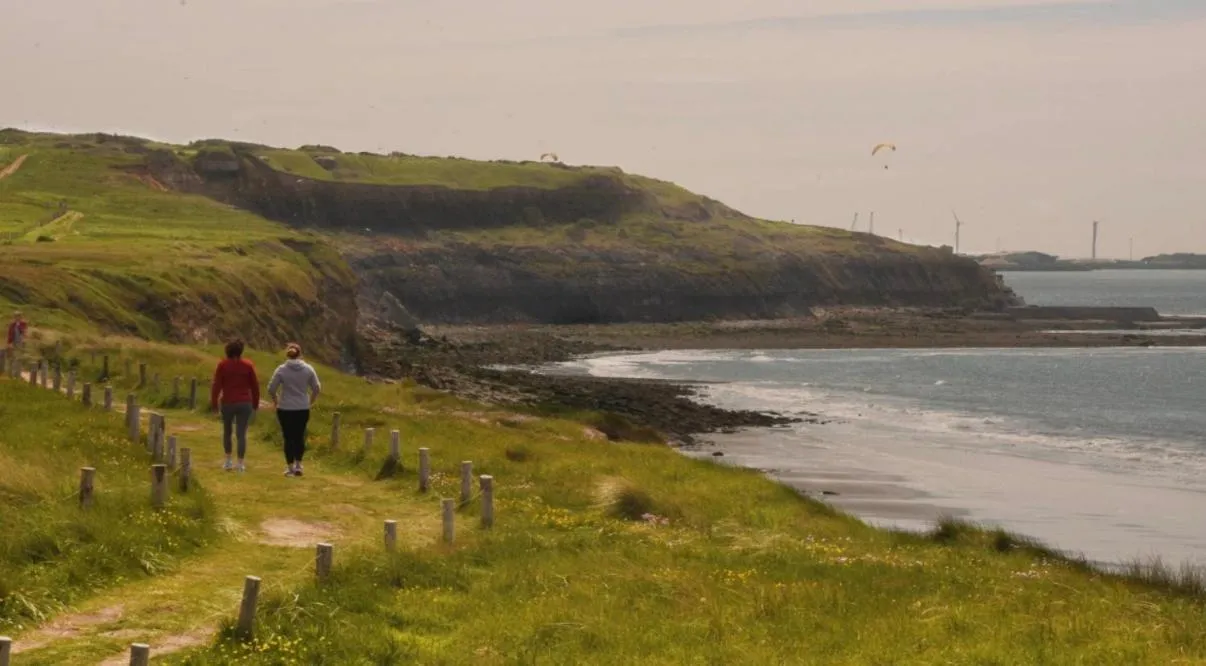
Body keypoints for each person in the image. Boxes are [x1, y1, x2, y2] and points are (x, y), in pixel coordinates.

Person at [267, 343, 321, 477]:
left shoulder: (281, 369)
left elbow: (271, 388)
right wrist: (310, 401)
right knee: (299, 436)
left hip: (285, 407)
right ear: (300, 354)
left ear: (287, 354)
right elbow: (317, 388)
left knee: (288, 437)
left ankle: (290, 467)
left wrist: (276, 400)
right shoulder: (308, 369)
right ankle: (299, 465)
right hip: (302, 407)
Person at [210, 339, 260, 473]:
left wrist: (214, 404)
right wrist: (255, 404)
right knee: (241, 433)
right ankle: (240, 464)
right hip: (245, 402)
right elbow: (255, 386)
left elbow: (216, 385)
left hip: (228, 402)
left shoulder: (223, 365)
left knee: (227, 431)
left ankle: (228, 461)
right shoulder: (248, 365)